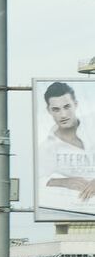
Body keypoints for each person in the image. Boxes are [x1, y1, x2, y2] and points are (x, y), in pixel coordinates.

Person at [38, 81, 95, 212]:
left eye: (67, 107)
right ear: (49, 111)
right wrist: (64, 182)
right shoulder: (46, 148)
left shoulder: (92, 127)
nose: (63, 115)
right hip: (75, 213)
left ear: (76, 105)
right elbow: (38, 181)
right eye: (56, 109)